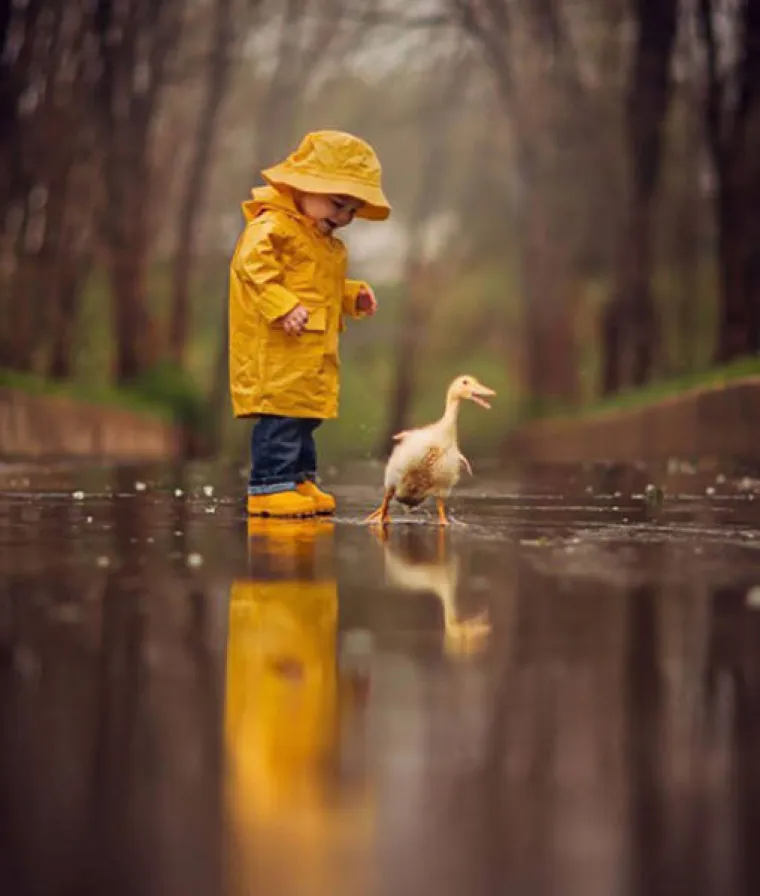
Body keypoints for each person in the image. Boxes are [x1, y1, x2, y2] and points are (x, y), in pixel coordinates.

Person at [229, 129, 391, 517]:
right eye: (337, 203)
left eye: (352, 210)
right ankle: (269, 486)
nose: (344, 217)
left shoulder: (323, 241)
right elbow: (250, 267)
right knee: (281, 416)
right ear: (302, 185)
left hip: (309, 351)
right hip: (278, 348)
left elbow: (321, 286)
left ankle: (300, 479)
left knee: (304, 419)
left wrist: (352, 296)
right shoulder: (274, 228)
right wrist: (282, 305)